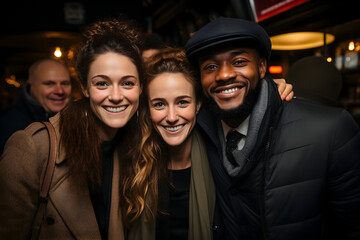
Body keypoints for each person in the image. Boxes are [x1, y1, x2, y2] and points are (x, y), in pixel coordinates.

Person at [185, 17, 360, 240]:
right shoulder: (195, 131)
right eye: (210, 67)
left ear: (261, 67)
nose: (224, 75)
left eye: (239, 61)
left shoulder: (331, 130)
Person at [0, 17, 150, 239]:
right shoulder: (32, 147)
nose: (116, 96)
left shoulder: (145, 145)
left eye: (127, 83)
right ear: (84, 88)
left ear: (140, 87)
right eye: (102, 83)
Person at [128, 47, 294, 240]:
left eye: (182, 102)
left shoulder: (222, 155)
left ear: (198, 105)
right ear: (147, 110)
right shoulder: (134, 162)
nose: (171, 117)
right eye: (159, 104)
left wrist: (268, 89)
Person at [0, 58, 72, 156]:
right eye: (49, 84)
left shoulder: (78, 121)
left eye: (65, 83)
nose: (60, 91)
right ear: (31, 86)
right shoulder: (6, 125)